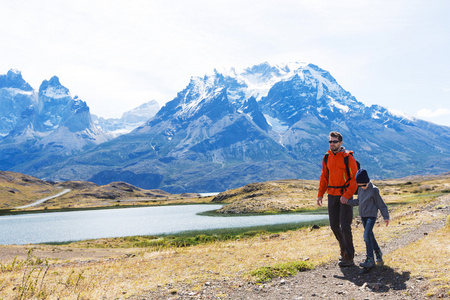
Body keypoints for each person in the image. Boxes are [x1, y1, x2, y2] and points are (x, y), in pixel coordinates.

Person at [317, 131, 359, 267]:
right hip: (332, 195)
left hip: (345, 195)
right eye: (330, 141)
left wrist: (346, 196)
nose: (332, 144)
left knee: (345, 226)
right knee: (334, 225)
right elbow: (324, 177)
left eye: (335, 141)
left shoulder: (348, 158)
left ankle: (349, 256)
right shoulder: (326, 157)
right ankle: (343, 249)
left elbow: (355, 179)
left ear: (340, 143)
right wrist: (320, 194)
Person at [341, 169, 389, 268]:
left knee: (366, 236)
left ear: (368, 181)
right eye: (360, 185)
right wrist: (347, 202)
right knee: (370, 236)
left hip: (371, 216)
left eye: (364, 185)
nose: (362, 187)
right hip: (363, 216)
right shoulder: (360, 190)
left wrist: (386, 216)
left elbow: (381, 205)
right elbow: (358, 201)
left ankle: (370, 259)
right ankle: (378, 253)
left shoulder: (374, 190)